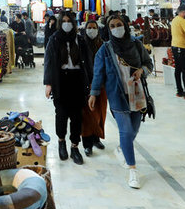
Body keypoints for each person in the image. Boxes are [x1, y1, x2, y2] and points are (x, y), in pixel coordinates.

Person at [89, 16, 153, 189]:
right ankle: (133, 170)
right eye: (113, 26)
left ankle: (121, 149)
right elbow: (98, 73)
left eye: (119, 25)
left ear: (125, 26)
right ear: (108, 29)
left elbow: (149, 64)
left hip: (137, 95)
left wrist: (142, 70)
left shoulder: (136, 44)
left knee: (133, 130)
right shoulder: (105, 50)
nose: (117, 28)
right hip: (117, 95)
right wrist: (93, 94)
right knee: (125, 131)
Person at [44, 12, 88, 165]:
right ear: (59, 23)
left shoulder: (80, 39)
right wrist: (48, 84)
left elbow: (87, 62)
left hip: (77, 80)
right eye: (64, 21)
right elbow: (48, 61)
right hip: (60, 80)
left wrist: (90, 82)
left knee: (77, 116)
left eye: (69, 21)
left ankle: (75, 146)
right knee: (61, 114)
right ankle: (61, 141)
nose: (67, 23)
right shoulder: (54, 39)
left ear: (74, 23)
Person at [78, 19, 106, 155]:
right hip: (86, 83)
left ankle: (96, 138)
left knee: (100, 113)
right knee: (87, 115)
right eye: (89, 27)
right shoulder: (81, 44)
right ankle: (87, 143)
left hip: (101, 84)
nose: (92, 30)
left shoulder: (102, 44)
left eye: (94, 27)